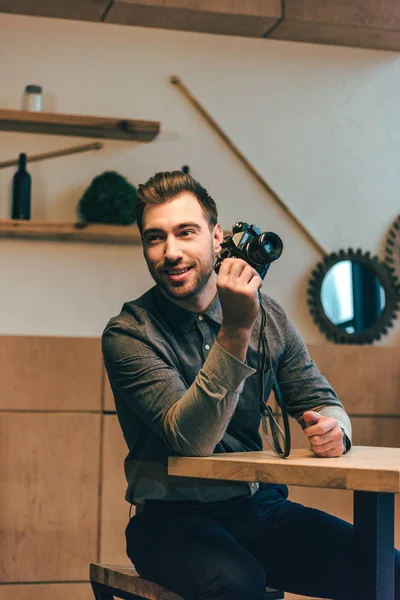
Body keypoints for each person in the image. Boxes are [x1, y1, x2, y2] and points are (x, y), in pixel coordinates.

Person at [102, 170, 399, 600]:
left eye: (186, 232)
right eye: (155, 237)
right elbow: (191, 440)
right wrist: (236, 330)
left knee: (387, 571)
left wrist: (337, 431)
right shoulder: (130, 333)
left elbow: (320, 399)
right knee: (237, 584)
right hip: (169, 521)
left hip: (263, 511)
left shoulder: (271, 315)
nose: (170, 252)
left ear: (216, 237)